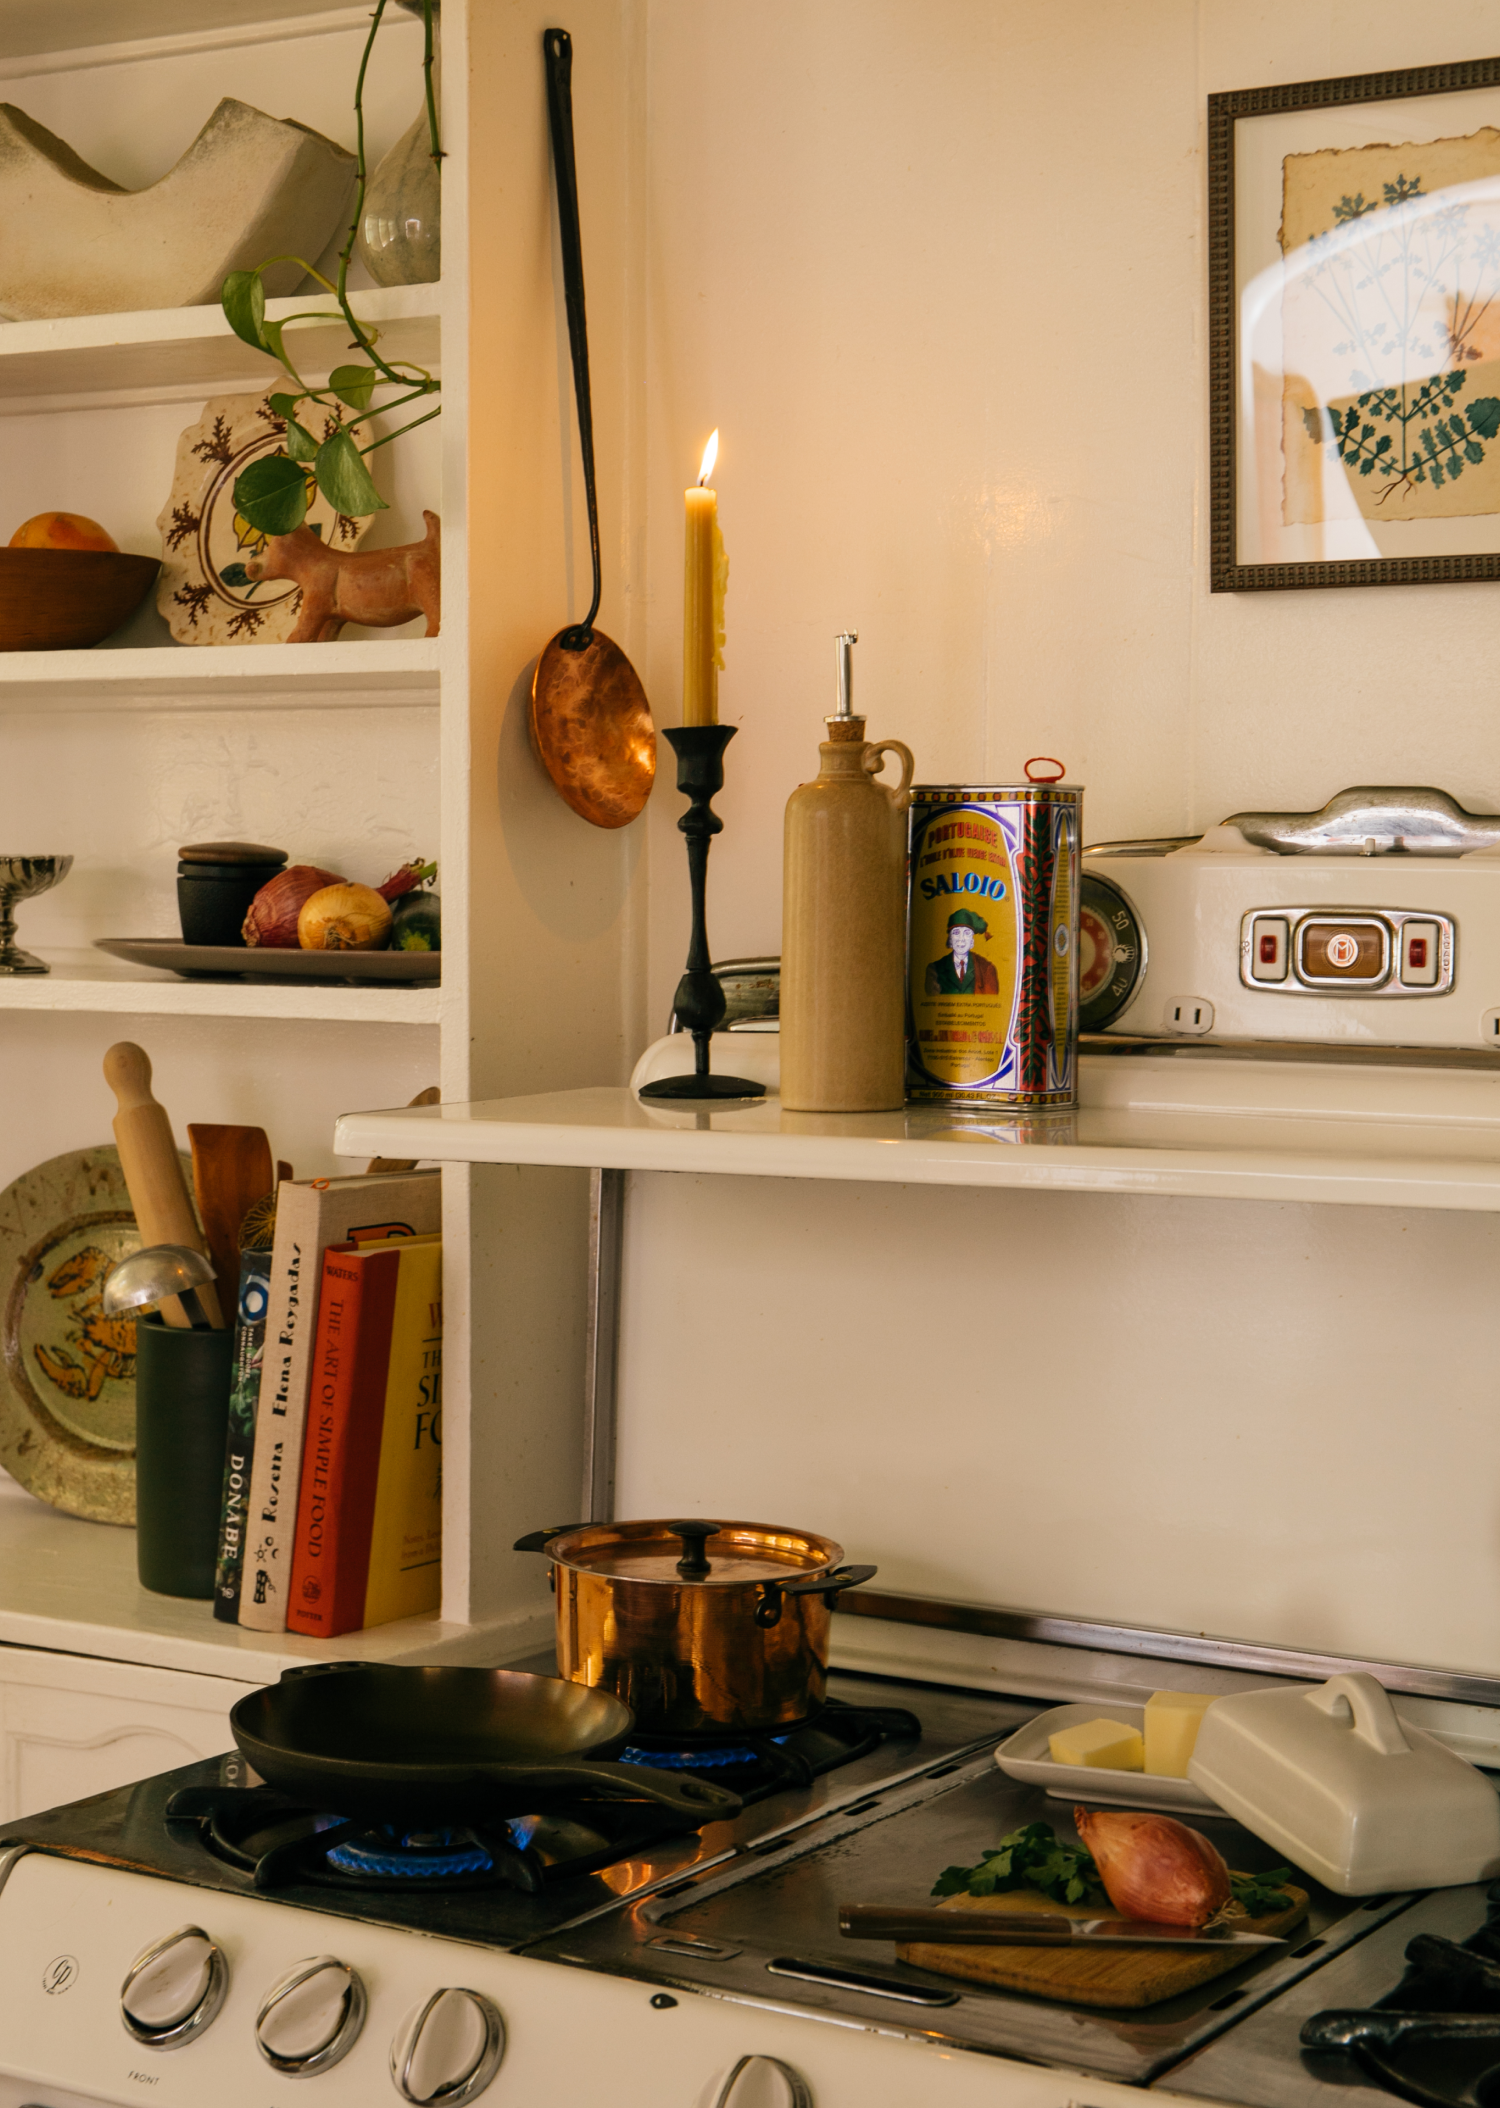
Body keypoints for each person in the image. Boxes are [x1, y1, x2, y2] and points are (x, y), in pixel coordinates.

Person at [925, 907, 999, 995]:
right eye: (956, 933)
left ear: (972, 940)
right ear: (950, 939)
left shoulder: (986, 969)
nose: (961, 939)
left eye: (967, 933)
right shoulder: (935, 969)